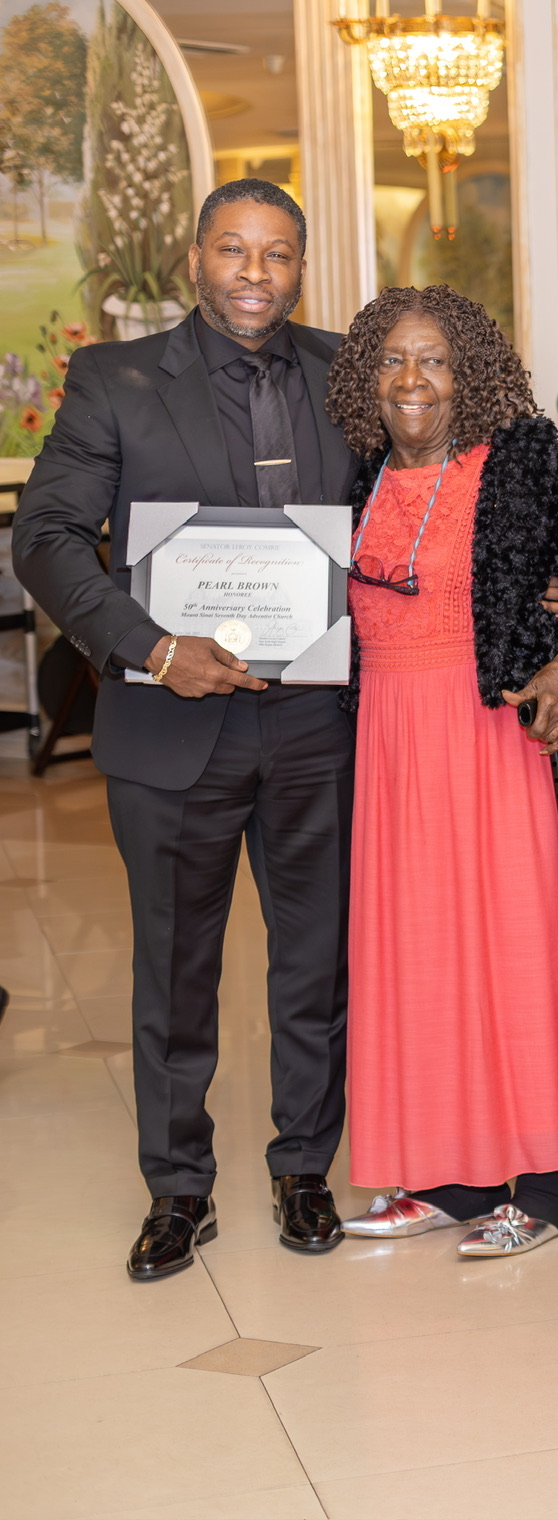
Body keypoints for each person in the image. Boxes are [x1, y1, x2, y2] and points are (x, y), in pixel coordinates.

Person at [13, 179, 361, 1281]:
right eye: (233, 250)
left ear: (300, 265)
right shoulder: (115, 380)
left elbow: (408, 515)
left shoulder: (348, 371)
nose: (255, 273)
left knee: (316, 964)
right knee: (174, 970)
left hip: (316, 722)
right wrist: (154, 647)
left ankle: (306, 1168)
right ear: (195, 259)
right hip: (171, 719)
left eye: (277, 252)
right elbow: (47, 536)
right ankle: (177, 1187)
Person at [325, 285, 558, 1257]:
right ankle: (453, 1178)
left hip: (503, 739)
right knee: (423, 955)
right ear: (366, 378)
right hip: (396, 748)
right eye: (393, 359)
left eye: (434, 359)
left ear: (468, 374)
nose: (413, 379)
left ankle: (545, 1185)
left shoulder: (517, 461)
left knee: (520, 951)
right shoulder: (360, 476)